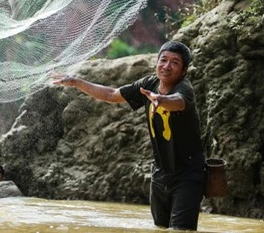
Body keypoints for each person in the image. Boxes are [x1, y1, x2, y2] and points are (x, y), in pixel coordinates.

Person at [51, 41, 205, 231]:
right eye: (163, 60)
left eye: (174, 62)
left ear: (183, 71)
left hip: (188, 175)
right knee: (160, 228)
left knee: (182, 230)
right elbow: (111, 94)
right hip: (160, 174)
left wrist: (161, 100)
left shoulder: (184, 88)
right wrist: (76, 82)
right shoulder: (149, 84)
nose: (166, 66)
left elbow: (179, 102)